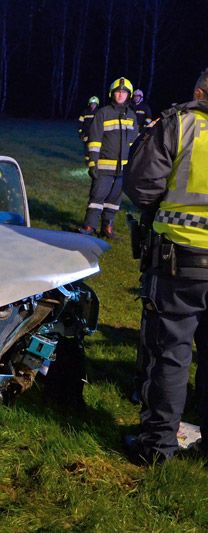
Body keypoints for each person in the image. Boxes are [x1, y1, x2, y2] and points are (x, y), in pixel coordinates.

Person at [122, 68, 208, 464]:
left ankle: (157, 447)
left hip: (180, 262)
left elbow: (141, 186)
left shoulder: (180, 124)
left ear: (200, 92)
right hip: (182, 262)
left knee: (170, 354)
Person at [79, 77, 138, 238]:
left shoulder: (131, 116)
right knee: (97, 196)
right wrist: (93, 163)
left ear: (129, 95)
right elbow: (95, 140)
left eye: (124, 92)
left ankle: (107, 227)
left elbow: (134, 142)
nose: (120, 95)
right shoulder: (103, 113)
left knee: (114, 200)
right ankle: (89, 226)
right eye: (117, 92)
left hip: (123, 168)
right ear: (112, 94)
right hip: (104, 166)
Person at [77, 96, 100, 164]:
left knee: (95, 148)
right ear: (89, 104)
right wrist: (81, 132)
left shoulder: (99, 113)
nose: (93, 105)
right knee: (87, 148)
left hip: (96, 134)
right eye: (91, 104)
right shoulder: (85, 112)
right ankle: (87, 161)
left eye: (94, 104)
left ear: (97, 104)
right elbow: (80, 123)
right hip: (86, 133)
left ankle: (95, 161)